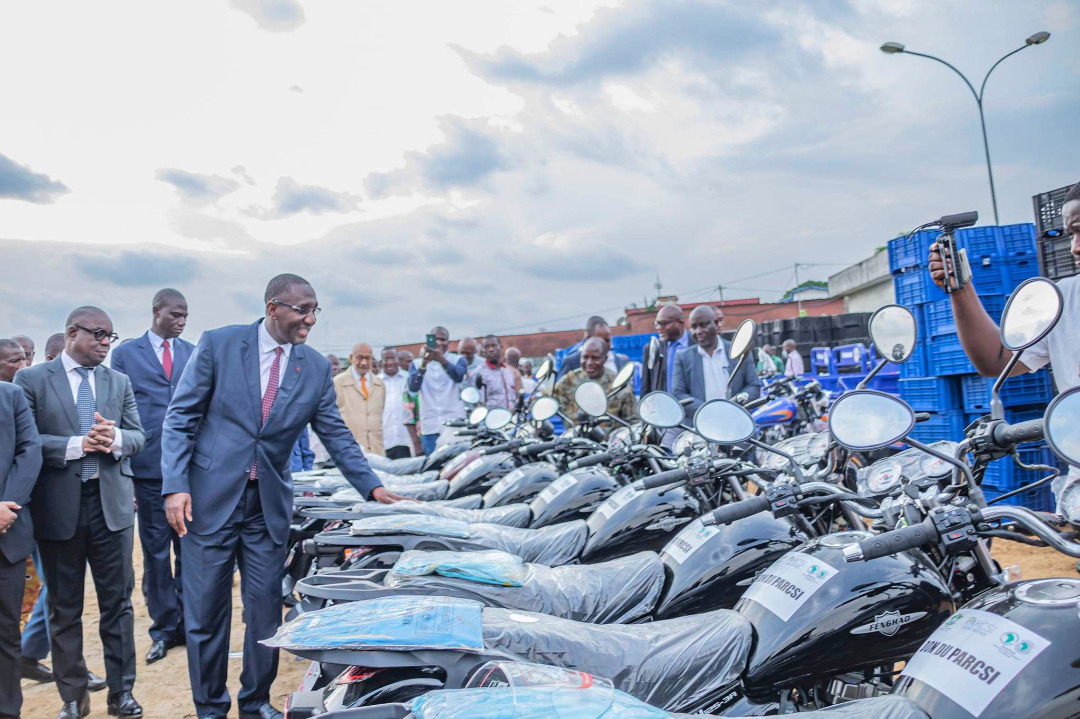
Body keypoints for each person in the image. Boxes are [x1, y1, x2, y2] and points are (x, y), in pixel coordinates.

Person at [160, 273, 410, 719]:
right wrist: (175, 485)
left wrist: (370, 485)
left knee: (265, 615)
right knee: (205, 617)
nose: (310, 319)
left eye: (315, 310)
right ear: (273, 308)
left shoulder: (313, 367)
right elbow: (180, 417)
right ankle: (210, 710)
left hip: (267, 507)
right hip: (208, 501)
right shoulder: (220, 344)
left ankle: (255, 704)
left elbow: (334, 432)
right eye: (302, 309)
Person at [14, 306, 146, 719]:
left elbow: (140, 435)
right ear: (73, 333)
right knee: (63, 607)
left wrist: (116, 438)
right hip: (58, 510)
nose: (106, 343)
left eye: (111, 336)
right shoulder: (32, 379)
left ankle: (121, 693)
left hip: (112, 510)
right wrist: (77, 445)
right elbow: (27, 440)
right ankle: (73, 697)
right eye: (99, 335)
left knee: (118, 605)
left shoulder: (118, 381)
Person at [929, 182, 1080, 519]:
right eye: (1070, 235)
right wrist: (960, 288)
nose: (1074, 248)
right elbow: (996, 359)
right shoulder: (1063, 298)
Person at [108, 288, 193, 666]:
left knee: (189, 551)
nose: (181, 320)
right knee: (156, 553)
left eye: (186, 315)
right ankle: (163, 629)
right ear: (156, 311)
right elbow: (119, 410)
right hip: (146, 469)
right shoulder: (126, 354)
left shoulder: (192, 353)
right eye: (175, 314)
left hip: (188, 471)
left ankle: (190, 625)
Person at [0, 379, 42, 719]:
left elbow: (30, 451)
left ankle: (8, 710)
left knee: (5, 634)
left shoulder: (10, 396)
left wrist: (5, 505)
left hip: (5, 534)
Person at [672, 305, 762, 423]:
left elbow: (753, 386)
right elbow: (678, 394)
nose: (698, 331)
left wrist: (735, 403)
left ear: (715, 323)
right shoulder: (683, 357)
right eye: (694, 327)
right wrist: (708, 411)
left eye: (703, 325)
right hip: (702, 426)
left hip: (737, 422)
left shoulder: (739, 351)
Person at [407, 326, 468, 455]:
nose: (439, 343)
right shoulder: (417, 363)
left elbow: (458, 377)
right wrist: (424, 363)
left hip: (454, 423)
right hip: (430, 425)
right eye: (436, 339)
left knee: (455, 462)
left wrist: (442, 360)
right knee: (432, 465)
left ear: (448, 343)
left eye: (443, 339)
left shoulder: (458, 360)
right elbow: (413, 387)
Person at [552, 337, 636, 421]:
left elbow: (633, 420)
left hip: (610, 433)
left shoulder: (617, 384)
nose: (589, 363)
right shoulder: (568, 381)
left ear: (605, 359)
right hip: (575, 433)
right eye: (585, 357)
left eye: (595, 358)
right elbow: (549, 403)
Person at [334, 342, 386, 455]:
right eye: (359, 358)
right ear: (351, 358)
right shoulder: (338, 383)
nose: (363, 363)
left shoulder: (380, 384)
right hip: (349, 450)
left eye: (368, 358)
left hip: (376, 450)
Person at [640, 304, 693, 395]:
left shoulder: (696, 344)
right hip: (664, 406)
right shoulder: (651, 349)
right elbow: (645, 386)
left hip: (693, 405)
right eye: (657, 323)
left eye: (663, 323)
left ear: (679, 323)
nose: (659, 328)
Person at [557, 316, 629, 380]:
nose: (603, 344)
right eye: (598, 340)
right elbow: (560, 392)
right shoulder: (571, 363)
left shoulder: (621, 361)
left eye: (607, 340)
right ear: (588, 338)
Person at [472, 335, 522, 410]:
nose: (491, 349)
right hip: (491, 418)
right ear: (483, 351)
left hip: (511, 418)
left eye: (494, 346)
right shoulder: (478, 373)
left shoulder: (508, 372)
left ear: (501, 347)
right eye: (487, 347)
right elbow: (477, 404)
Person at [379, 348, 413, 459]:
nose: (389, 362)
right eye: (386, 359)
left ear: (398, 359)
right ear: (381, 361)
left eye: (392, 358)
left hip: (406, 439)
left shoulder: (409, 379)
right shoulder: (375, 382)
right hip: (384, 440)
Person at [398, 350, 424, 456]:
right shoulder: (410, 385)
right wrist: (417, 445)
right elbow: (409, 418)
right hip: (423, 438)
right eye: (408, 361)